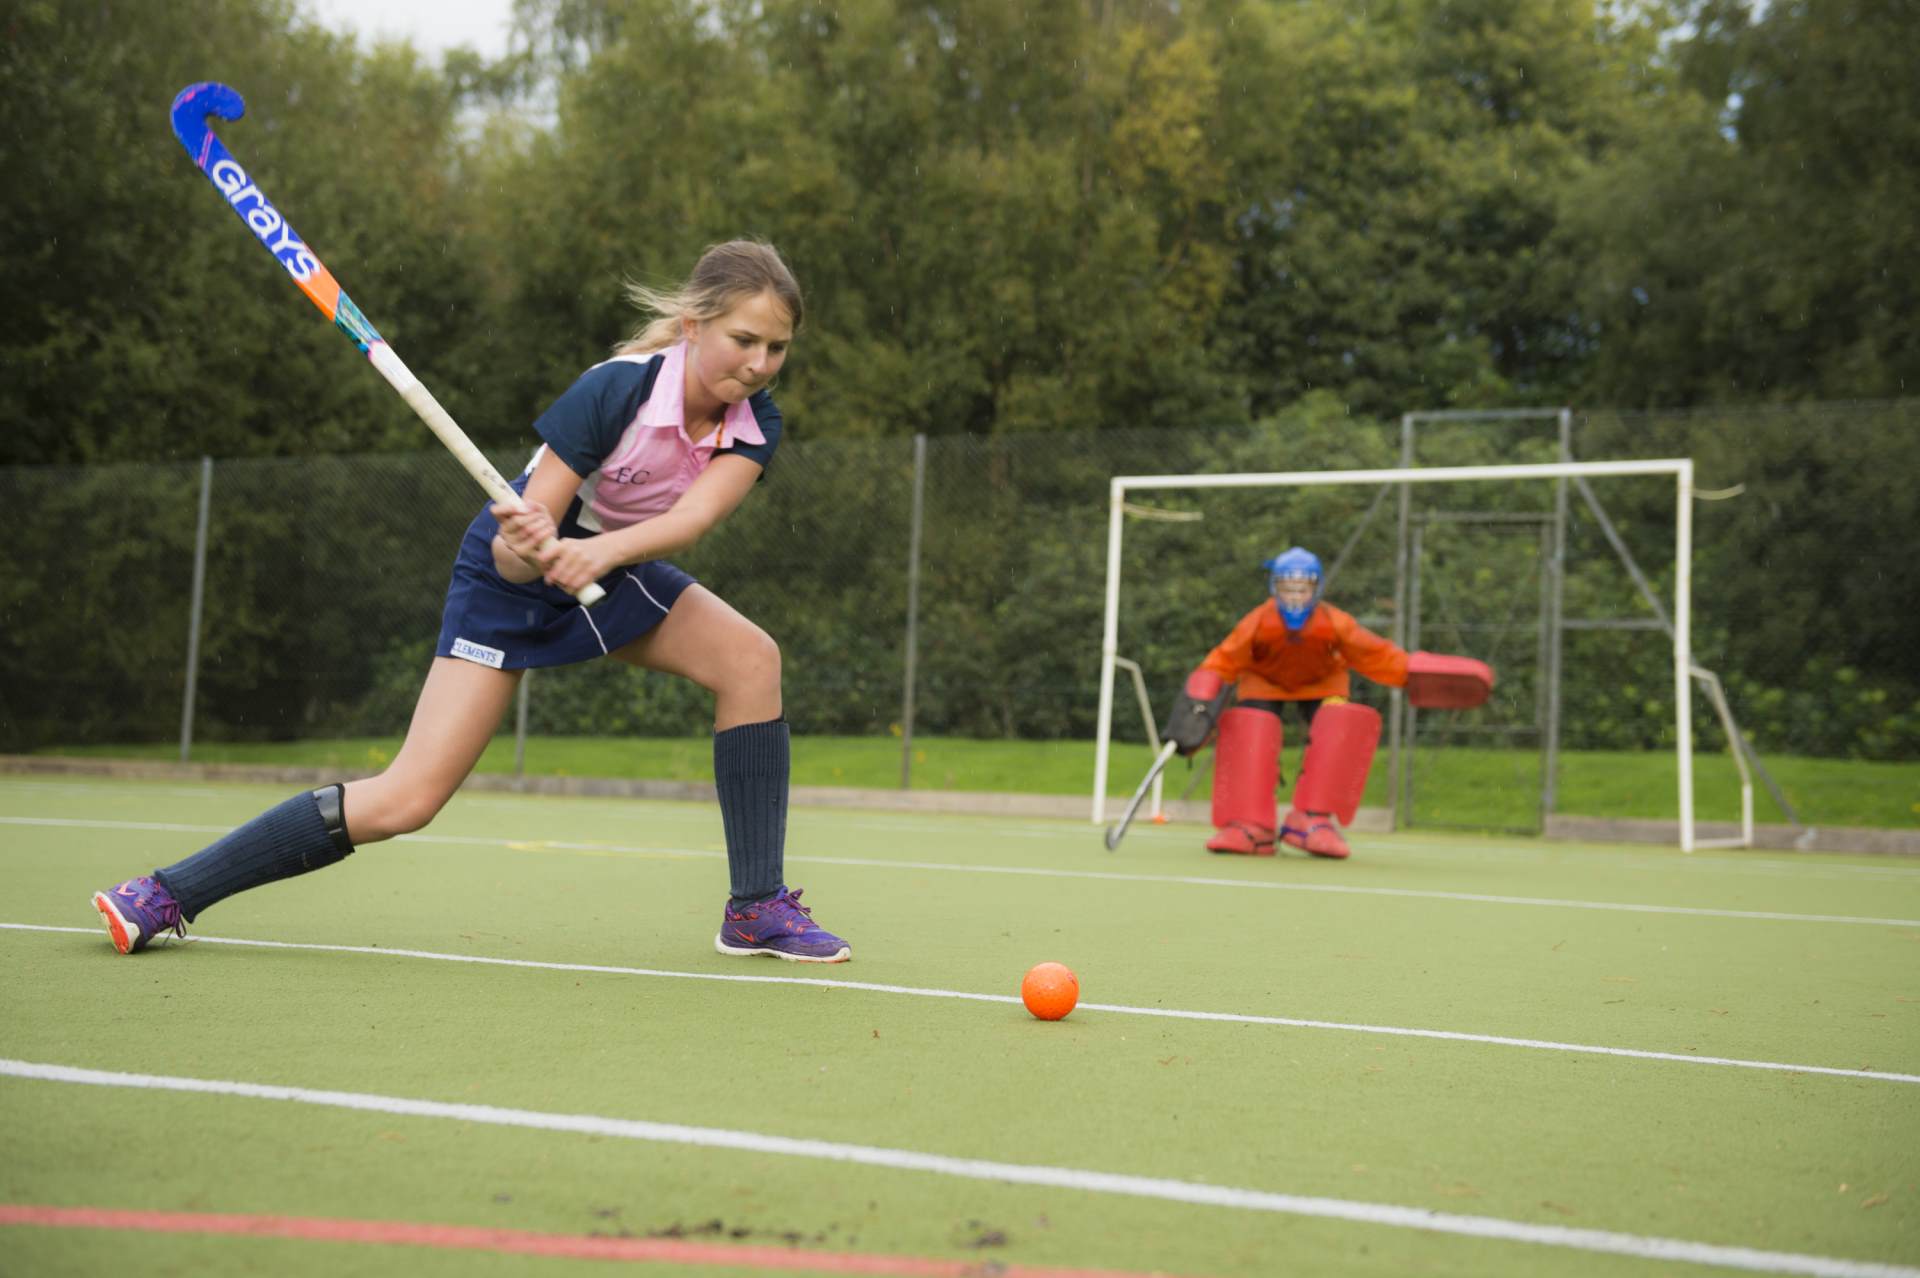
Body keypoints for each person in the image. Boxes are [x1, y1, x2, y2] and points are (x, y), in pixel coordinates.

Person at [92, 239, 850, 963]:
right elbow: (509, 559)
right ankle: (165, 893)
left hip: (615, 562)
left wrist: (598, 552)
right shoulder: (616, 389)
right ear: (693, 326)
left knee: (751, 660)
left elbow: (692, 520)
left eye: (776, 348)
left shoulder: (756, 422)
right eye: (744, 340)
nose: (758, 364)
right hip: (508, 584)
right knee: (406, 801)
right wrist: (530, 544)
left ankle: (755, 909)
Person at [1160, 546, 1493, 860]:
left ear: (1315, 589)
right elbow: (1224, 659)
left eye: (1301, 589)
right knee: (1249, 725)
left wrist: (1410, 671)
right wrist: (1201, 695)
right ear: (1275, 588)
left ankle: (1312, 819)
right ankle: (1249, 824)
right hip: (1265, 682)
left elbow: (1375, 654)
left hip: (1324, 683)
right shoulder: (1258, 621)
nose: (1294, 596)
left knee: (1340, 721)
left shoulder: (1335, 623)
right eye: (1287, 588)